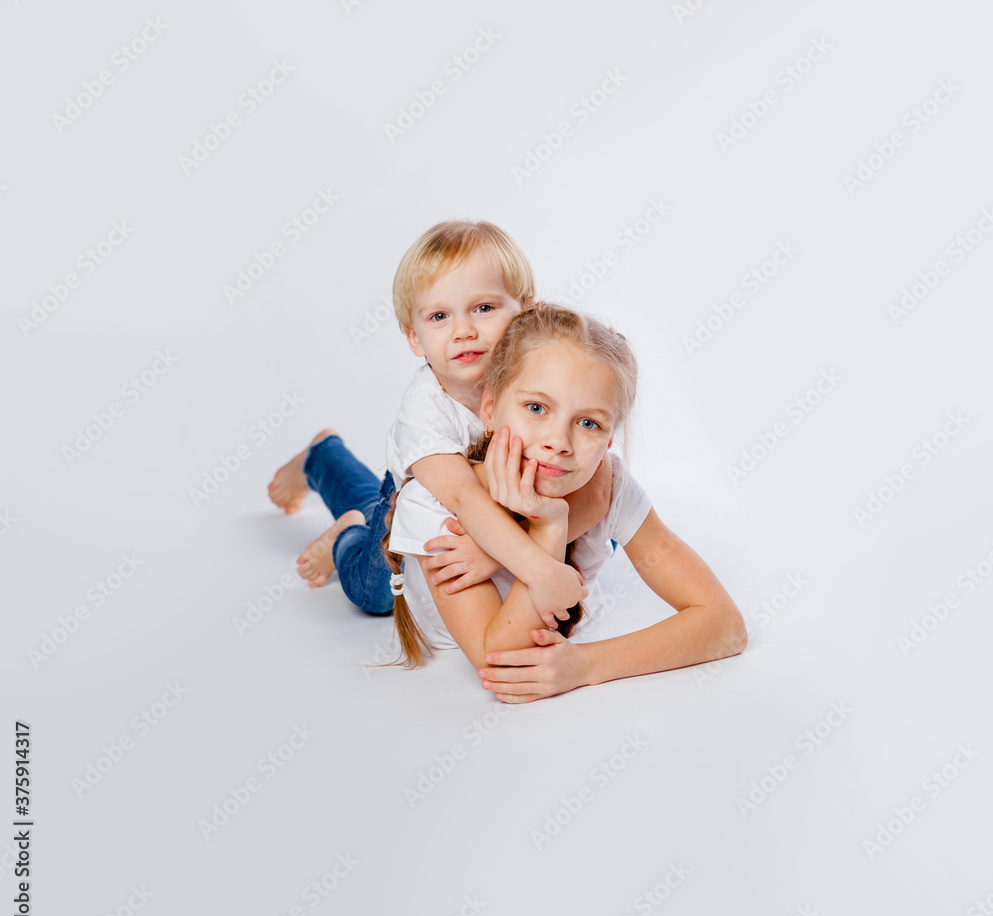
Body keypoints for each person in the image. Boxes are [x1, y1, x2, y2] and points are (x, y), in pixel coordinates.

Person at [379, 302, 747, 703]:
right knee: (363, 554)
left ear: (608, 441)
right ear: (489, 409)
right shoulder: (434, 507)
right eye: (536, 408)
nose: (558, 442)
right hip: (384, 574)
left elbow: (725, 626)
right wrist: (547, 526)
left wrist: (586, 665)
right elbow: (502, 663)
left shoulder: (608, 487)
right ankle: (334, 477)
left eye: (588, 423)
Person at [267, 220, 610, 618]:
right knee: (375, 594)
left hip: (508, 512)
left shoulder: (545, 375)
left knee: (605, 532)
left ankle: (334, 466)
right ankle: (342, 518)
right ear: (414, 337)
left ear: (525, 310)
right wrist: (536, 567)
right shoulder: (424, 413)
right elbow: (464, 496)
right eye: (439, 316)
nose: (464, 331)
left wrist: (498, 555)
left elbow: (599, 483)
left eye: (484, 308)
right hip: (423, 508)